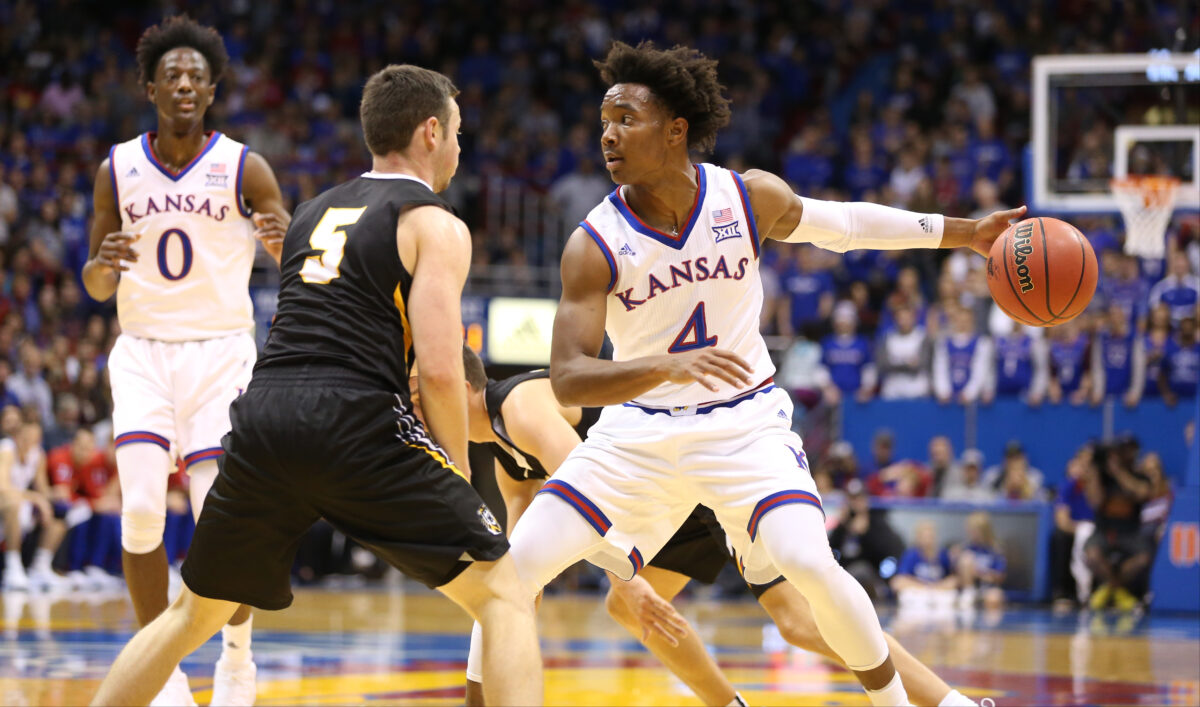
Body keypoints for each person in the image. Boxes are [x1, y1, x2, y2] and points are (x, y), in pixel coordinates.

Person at [467, 40, 1023, 707]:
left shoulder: (746, 196)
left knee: (810, 564)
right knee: (508, 573)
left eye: (626, 120)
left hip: (743, 426)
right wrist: (664, 365)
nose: (608, 135)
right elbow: (568, 379)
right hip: (636, 437)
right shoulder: (594, 243)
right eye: (604, 122)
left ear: (675, 130)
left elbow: (847, 224)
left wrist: (966, 233)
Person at [89, 64, 542, 707]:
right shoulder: (434, 222)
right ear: (431, 132)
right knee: (505, 594)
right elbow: (441, 371)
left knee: (190, 614)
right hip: (355, 415)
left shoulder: (311, 211)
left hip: (264, 413)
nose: (460, 148)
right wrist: (458, 475)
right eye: (458, 133)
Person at [429, 345, 976, 707]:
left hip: (697, 466)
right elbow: (515, 581)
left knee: (798, 619)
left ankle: (948, 702)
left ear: (460, 384)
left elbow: (590, 496)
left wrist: (628, 577)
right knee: (627, 606)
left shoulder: (521, 405)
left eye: (421, 393)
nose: (420, 408)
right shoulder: (503, 456)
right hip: (659, 495)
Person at [80, 17, 290, 706]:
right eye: (170, 74)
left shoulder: (245, 165)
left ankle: (237, 657)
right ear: (149, 88)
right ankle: (163, 673)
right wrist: (103, 266)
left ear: (212, 90)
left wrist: (279, 243)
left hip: (220, 353)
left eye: (196, 75)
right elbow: (95, 281)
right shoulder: (117, 167)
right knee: (142, 509)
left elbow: (291, 251)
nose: (183, 84)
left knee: (219, 520)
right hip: (143, 351)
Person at [0, 420, 67, 590]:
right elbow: (3, 486)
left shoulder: (37, 455)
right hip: (5, 502)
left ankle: (40, 567)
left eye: (35, 439)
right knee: (13, 504)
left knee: (59, 519)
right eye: (26, 438)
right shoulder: (6, 450)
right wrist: (36, 498)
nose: (30, 443)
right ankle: (12, 567)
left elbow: (42, 489)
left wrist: (55, 493)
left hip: (22, 501)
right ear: (17, 436)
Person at [954, 511, 1007, 610]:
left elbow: (1000, 576)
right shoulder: (966, 548)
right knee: (966, 558)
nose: (973, 533)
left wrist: (979, 574)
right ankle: (969, 593)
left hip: (988, 586)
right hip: (970, 587)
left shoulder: (995, 550)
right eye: (971, 530)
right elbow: (957, 574)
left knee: (994, 598)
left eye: (975, 530)